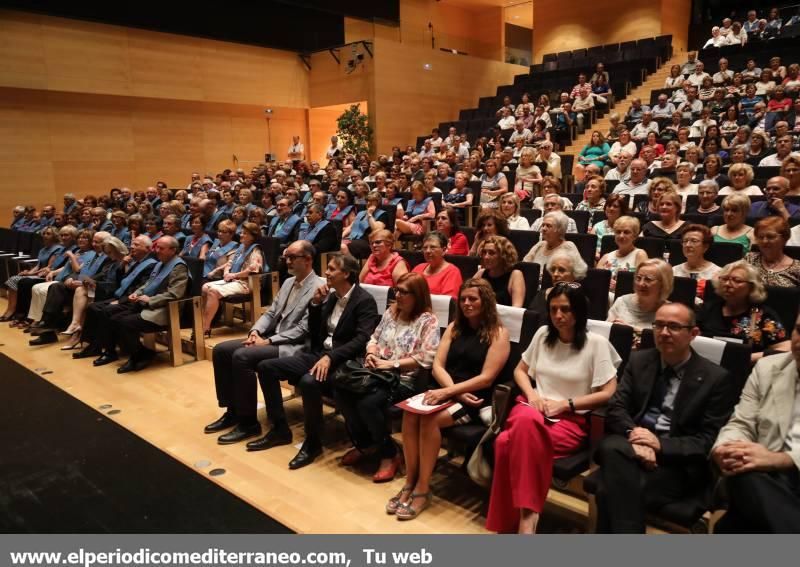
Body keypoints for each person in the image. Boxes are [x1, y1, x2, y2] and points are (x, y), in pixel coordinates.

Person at [487, 283, 620, 533]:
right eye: (553, 309)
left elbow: (608, 391)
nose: (558, 316)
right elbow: (520, 371)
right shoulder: (542, 335)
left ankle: (511, 523)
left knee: (505, 443)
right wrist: (532, 395)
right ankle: (527, 522)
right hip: (530, 408)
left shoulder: (596, 343)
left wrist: (566, 404)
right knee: (526, 421)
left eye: (566, 309)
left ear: (579, 311)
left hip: (569, 422)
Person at [594, 302, 733, 533]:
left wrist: (659, 444)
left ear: (693, 333)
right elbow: (617, 408)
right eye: (659, 325)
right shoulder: (639, 361)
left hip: (675, 464)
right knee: (613, 446)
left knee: (607, 488)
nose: (664, 333)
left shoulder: (715, 378)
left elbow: (708, 440)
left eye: (674, 327)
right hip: (631, 448)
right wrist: (636, 437)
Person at [391, 279, 510, 520]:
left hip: (474, 398)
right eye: (463, 299)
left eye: (473, 299)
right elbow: (437, 365)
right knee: (409, 413)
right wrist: (451, 390)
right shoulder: (456, 326)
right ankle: (410, 481)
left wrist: (450, 392)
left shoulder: (499, 333)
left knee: (429, 420)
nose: (466, 303)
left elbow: (487, 378)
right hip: (449, 390)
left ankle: (423, 489)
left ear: (485, 301)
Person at [252, 254, 380, 470]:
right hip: (320, 355)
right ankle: (280, 429)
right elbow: (315, 331)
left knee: (309, 382)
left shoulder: (364, 300)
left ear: (346, 274)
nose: (326, 273)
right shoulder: (330, 296)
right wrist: (315, 304)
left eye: (331, 269)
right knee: (266, 368)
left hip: (344, 361)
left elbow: (361, 340)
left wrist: (330, 357)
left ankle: (313, 444)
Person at [203, 240, 323, 439]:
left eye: (292, 258)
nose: (287, 262)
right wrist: (255, 332)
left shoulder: (320, 287)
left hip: (296, 346)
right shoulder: (287, 282)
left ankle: (248, 422)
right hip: (272, 338)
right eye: (286, 258)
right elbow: (271, 312)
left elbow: (304, 329)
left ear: (308, 259)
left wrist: (267, 342)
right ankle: (232, 411)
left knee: (242, 357)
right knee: (221, 350)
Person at [338, 272, 439, 484]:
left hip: (403, 379)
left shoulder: (427, 320)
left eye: (404, 292)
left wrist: (391, 364)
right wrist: (372, 354)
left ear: (417, 295)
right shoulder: (391, 312)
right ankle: (366, 445)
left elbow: (426, 358)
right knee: (342, 389)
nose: (398, 296)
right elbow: (373, 338)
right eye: (397, 290)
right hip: (375, 371)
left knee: (368, 403)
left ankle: (389, 453)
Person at [711, 312, 800, 533]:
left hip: (784, 476)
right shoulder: (768, 367)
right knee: (744, 473)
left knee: (733, 523)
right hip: (763, 479)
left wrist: (781, 460)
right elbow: (741, 422)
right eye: (799, 330)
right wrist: (727, 447)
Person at [92, 236, 188, 373]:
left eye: (161, 248)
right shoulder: (160, 263)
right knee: (113, 318)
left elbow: (175, 294)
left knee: (125, 322)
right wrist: (137, 293)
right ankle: (141, 353)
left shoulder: (179, 267)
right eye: (156, 247)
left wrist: (151, 300)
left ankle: (137, 356)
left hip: (164, 309)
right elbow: (147, 284)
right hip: (145, 304)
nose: (157, 251)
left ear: (173, 250)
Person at [71, 235, 157, 361]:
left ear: (148, 248)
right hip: (122, 296)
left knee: (106, 311)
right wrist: (122, 267)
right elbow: (122, 282)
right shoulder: (135, 261)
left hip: (133, 301)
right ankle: (94, 346)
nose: (132, 247)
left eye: (137, 245)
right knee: (92, 307)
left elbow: (142, 289)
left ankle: (110, 351)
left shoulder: (151, 265)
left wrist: (120, 301)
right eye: (132, 244)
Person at [698, 261, 789, 363]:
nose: (728, 284)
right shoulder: (707, 309)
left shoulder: (763, 315)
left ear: (752, 287)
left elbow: (785, 348)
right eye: (724, 279)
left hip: (746, 371)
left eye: (737, 280)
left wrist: (750, 358)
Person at [200, 222, 264, 337]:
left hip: (246, 284)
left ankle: (205, 327)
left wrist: (234, 275)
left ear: (252, 236)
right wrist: (226, 272)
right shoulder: (241, 247)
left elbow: (253, 270)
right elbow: (230, 262)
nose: (241, 235)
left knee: (213, 291)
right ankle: (208, 320)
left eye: (244, 233)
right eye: (241, 232)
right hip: (234, 280)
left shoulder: (255, 250)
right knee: (205, 287)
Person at [0, 226, 64, 322]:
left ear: (54, 236)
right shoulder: (43, 249)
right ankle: (10, 310)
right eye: (44, 233)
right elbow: (38, 265)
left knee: (20, 281)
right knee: (12, 280)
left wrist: (30, 274)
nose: (45, 235)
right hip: (37, 273)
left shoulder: (58, 249)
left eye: (48, 234)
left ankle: (17, 312)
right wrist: (28, 272)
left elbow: (50, 267)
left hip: (46, 276)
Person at [608, 259, 673, 333]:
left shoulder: (670, 312)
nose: (641, 284)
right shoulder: (622, 302)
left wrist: (633, 330)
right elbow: (606, 331)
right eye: (638, 278)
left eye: (648, 279)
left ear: (663, 284)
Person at [597, 216, 648, 298]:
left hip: (627, 298)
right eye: (618, 232)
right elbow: (596, 282)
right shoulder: (606, 257)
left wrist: (619, 286)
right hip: (603, 299)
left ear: (635, 236)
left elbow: (643, 282)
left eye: (626, 232)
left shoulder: (640, 254)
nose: (621, 236)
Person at [746, 216, 800, 288]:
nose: (764, 241)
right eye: (760, 237)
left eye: (770, 236)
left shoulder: (797, 268)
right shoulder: (749, 259)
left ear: (785, 238)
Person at [673, 224, 721, 303]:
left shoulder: (717, 273)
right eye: (685, 241)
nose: (688, 245)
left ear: (705, 246)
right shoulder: (673, 271)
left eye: (694, 241)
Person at [474, 236, 525, 307]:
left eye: (491, 253)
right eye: (484, 252)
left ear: (503, 256)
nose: (486, 257)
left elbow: (516, 309)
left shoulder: (515, 275)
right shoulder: (481, 273)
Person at [411, 232, 463, 299]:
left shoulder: (452, 272)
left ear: (444, 250)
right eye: (425, 247)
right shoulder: (418, 268)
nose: (428, 251)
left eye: (433, 247)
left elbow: (447, 303)